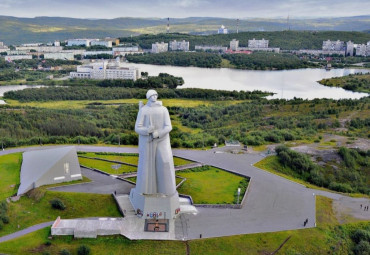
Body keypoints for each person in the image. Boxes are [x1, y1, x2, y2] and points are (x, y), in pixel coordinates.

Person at [134, 90, 177, 196]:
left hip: (162, 140)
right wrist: (147, 130)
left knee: (165, 162)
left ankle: (167, 191)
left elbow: (169, 126)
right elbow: (137, 128)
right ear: (148, 97)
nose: (154, 97)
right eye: (151, 95)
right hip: (148, 142)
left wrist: (157, 133)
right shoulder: (143, 110)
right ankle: (146, 191)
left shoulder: (164, 110)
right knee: (146, 166)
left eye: (155, 95)